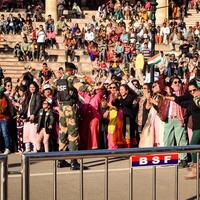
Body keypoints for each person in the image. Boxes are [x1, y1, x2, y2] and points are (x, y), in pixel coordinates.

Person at [56, 62, 80, 170]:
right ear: (71, 70)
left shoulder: (60, 80)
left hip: (62, 109)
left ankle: (61, 160)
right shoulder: (71, 79)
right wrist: (92, 87)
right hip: (70, 108)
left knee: (63, 133)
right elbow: (80, 86)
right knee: (73, 134)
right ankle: (74, 161)